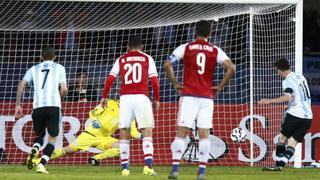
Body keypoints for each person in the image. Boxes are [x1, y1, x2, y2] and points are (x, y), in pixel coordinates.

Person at [164, 20, 235, 179]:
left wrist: (175, 83)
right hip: (206, 97)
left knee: (181, 133)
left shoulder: (186, 47)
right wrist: (220, 86)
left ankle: (175, 169)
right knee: (204, 134)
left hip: (189, 96)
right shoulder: (215, 50)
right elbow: (231, 68)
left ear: (195, 32)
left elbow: (168, 64)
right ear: (210, 33)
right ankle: (201, 171)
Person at [100, 36, 160, 176]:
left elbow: (110, 79)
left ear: (127, 47)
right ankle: (148, 167)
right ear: (142, 46)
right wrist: (156, 99)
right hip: (142, 97)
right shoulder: (147, 58)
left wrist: (104, 96)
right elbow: (155, 81)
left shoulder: (121, 59)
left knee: (124, 133)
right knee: (146, 131)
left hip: (125, 99)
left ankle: (125, 169)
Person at [34, 99, 142, 166]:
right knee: (68, 150)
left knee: (123, 147)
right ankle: (38, 160)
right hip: (89, 135)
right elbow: (92, 112)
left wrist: (141, 136)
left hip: (104, 138)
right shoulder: (109, 103)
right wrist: (94, 120)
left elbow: (133, 132)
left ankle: (95, 159)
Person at [14, 46, 68, 174]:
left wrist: (18, 105)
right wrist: (61, 96)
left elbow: (21, 84)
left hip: (38, 108)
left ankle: (35, 149)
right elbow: (64, 89)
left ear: (41, 57)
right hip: (53, 106)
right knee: (53, 138)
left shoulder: (33, 69)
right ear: (55, 57)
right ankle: (42, 164)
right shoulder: (59, 68)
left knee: (39, 135)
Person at [258, 58, 313, 171]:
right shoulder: (300, 76)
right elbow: (301, 95)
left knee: (282, 139)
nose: (277, 73)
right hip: (307, 117)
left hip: (295, 115)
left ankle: (277, 165)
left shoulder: (287, 81)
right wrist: (291, 104)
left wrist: (269, 101)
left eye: (277, 70)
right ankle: (280, 166)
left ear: (279, 70)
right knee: (292, 143)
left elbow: (288, 97)